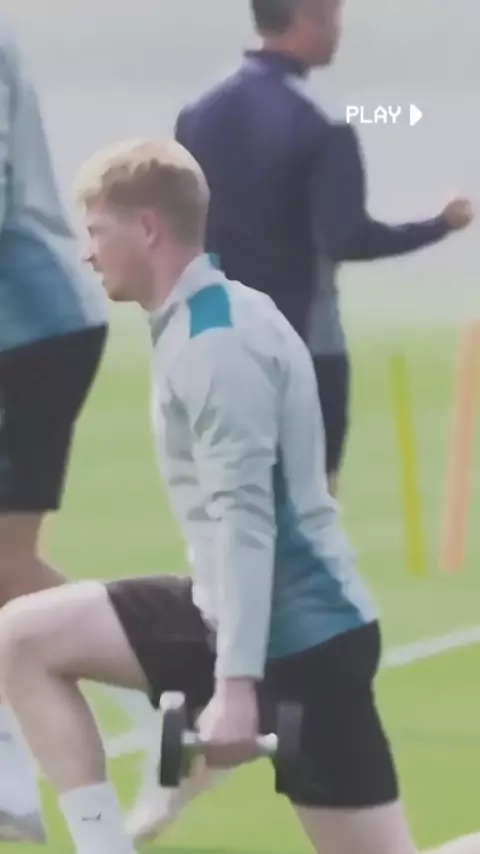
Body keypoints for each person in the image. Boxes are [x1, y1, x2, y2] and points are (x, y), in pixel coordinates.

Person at [0, 138, 478, 854]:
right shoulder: (201, 318)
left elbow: (245, 523)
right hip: (231, 616)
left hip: (305, 643)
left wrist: (235, 686)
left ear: (148, 227)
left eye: (97, 231)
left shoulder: (217, 345)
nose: (88, 253)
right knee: (23, 636)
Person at [172, 0, 473, 499]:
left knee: (233, 509)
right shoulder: (321, 118)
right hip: (302, 345)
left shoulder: (196, 112)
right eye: (334, 17)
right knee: (308, 511)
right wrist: (440, 225)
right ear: (305, 17)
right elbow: (348, 238)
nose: (338, 31)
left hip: (215, 342)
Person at [0, 14, 108, 842]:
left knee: (5, 561)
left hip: (26, 322)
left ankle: (190, 668)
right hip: (36, 319)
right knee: (5, 563)